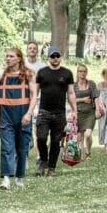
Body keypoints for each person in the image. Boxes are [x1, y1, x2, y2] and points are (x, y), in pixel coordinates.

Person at [0, 48, 37, 189]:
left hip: (23, 114)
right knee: (6, 148)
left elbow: (34, 96)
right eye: (6, 56)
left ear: (19, 58)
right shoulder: (1, 75)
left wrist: (29, 113)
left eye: (11, 56)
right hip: (6, 115)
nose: (7, 58)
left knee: (22, 148)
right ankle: (6, 180)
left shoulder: (28, 74)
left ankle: (19, 178)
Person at [35, 46, 77, 177]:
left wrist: (75, 110)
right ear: (48, 57)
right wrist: (34, 108)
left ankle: (52, 168)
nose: (55, 58)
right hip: (43, 112)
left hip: (59, 113)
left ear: (61, 57)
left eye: (57, 56)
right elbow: (35, 93)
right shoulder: (41, 73)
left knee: (55, 141)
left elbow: (70, 93)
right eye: (52, 56)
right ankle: (43, 162)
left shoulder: (67, 73)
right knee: (41, 138)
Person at [24, 41, 46, 164]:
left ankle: (39, 156)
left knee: (38, 128)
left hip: (39, 101)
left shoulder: (42, 66)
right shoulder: (22, 65)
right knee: (25, 128)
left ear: (37, 51)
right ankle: (24, 154)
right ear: (27, 50)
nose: (32, 50)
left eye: (34, 48)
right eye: (30, 48)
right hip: (24, 100)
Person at [74, 64, 99, 161]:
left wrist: (97, 109)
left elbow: (96, 96)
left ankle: (88, 151)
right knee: (79, 137)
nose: (82, 73)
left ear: (86, 72)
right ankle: (81, 154)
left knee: (88, 134)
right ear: (77, 72)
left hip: (90, 113)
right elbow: (71, 100)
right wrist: (83, 99)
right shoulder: (74, 85)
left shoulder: (91, 83)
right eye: (80, 71)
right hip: (79, 113)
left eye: (84, 71)